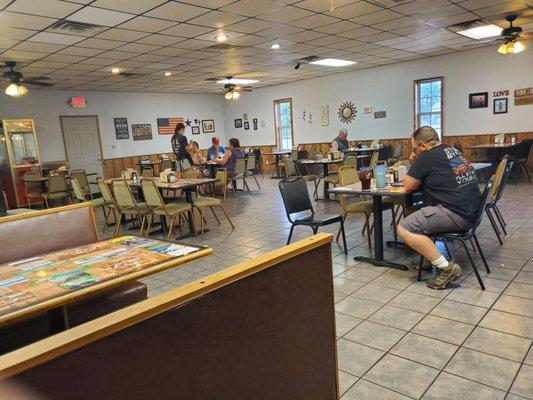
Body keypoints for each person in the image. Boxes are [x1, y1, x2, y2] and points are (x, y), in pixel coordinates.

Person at [397, 126, 481, 290]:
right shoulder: (453, 151)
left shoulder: (427, 155)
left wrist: (415, 160)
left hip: (456, 214)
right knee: (422, 211)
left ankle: (447, 268)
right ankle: (430, 259)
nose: (414, 151)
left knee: (404, 227)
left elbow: (409, 184)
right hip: (471, 211)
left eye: (414, 148)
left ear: (422, 146)